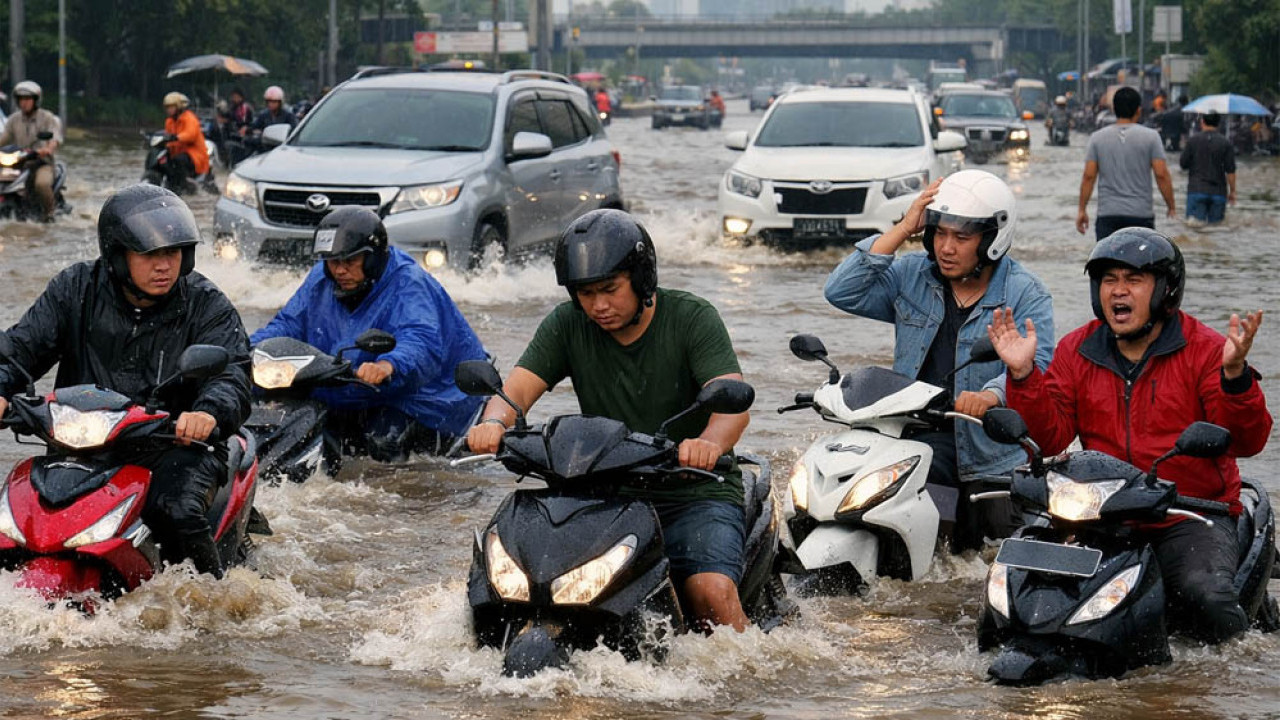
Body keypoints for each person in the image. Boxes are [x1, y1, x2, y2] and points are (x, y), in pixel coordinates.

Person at [466, 209, 754, 632]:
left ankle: (744, 688)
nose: (598, 305)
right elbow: (516, 391)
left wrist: (708, 444)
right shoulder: (567, 324)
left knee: (709, 590)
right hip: (602, 494)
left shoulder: (693, 317)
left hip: (693, 492)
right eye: (585, 294)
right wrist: (493, 423)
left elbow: (732, 405)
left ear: (641, 279)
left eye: (609, 289)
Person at [989, 227, 1271, 644]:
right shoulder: (1076, 349)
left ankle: (1231, 680)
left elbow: (1248, 441)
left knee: (1205, 599)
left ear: (1165, 291)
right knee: (1018, 592)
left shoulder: (1208, 350)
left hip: (1187, 513)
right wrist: (1023, 374)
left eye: (1133, 280)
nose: (1118, 291)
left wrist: (1235, 377)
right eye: (1109, 280)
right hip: (1102, 512)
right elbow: (1049, 439)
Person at [0, 184, 251, 578]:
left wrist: (206, 412)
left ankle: (212, 600)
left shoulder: (206, 303)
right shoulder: (75, 289)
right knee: (17, 514)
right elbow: (20, 349)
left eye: (172, 253)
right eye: (150, 254)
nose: (164, 265)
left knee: (177, 510)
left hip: (172, 445)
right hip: (83, 446)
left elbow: (232, 372)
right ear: (118, 255)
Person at [824, 170, 1055, 552]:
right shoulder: (912, 275)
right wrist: (904, 227)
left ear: (992, 240)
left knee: (999, 562)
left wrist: (992, 396)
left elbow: (1041, 367)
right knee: (921, 556)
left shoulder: (1025, 292)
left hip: (990, 455)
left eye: (961, 237)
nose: (947, 248)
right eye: (939, 234)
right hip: (915, 445)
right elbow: (841, 291)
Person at [251, 206, 487, 464]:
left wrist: (388, 365)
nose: (340, 270)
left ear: (372, 258)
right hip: (347, 386)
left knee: (383, 445)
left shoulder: (409, 283)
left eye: (350, 261)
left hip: (424, 397)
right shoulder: (322, 277)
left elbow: (421, 340)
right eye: (333, 261)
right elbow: (288, 323)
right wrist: (251, 349)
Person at [1077, 87, 1176, 240]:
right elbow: (1161, 174)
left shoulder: (1096, 138)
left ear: (1114, 109)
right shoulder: (1152, 137)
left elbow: (1088, 177)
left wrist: (1082, 210)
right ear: (1138, 110)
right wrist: (1171, 206)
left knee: (1108, 262)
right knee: (1139, 263)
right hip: (1141, 216)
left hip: (1107, 216)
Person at [0, 81, 62, 221]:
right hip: (18, 162)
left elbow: (54, 138)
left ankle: (50, 214)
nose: (24, 103)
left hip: (41, 163)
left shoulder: (46, 117)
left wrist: (47, 149)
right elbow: (4, 138)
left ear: (35, 100)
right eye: (21, 99)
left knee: (42, 184)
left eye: (27, 99)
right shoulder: (13, 120)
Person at [1180, 111, 1237, 226]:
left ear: (1202, 122)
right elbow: (1230, 170)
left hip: (1196, 190)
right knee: (1215, 229)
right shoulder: (1225, 143)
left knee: (1194, 228)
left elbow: (1183, 164)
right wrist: (1233, 191)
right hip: (1219, 193)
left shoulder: (1193, 141)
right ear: (1218, 124)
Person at [161, 92, 213, 193]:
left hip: (195, 155)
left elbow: (190, 134)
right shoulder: (169, 121)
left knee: (178, 160)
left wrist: (177, 137)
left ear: (178, 107)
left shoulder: (189, 118)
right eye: (167, 107)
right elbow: (167, 136)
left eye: (171, 107)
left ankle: (183, 185)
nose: (169, 110)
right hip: (179, 152)